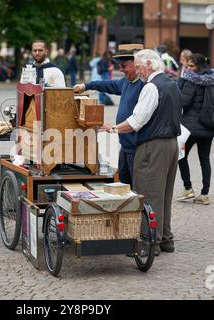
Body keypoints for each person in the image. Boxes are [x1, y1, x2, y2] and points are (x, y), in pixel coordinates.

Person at [112, 49, 182, 255]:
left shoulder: (152, 86)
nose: (139, 71)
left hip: (153, 145)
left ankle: (148, 242)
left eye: (140, 66)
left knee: (149, 194)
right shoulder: (172, 84)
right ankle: (165, 238)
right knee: (165, 194)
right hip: (171, 144)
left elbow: (136, 121)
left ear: (150, 64)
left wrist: (113, 128)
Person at [74, 44, 144, 187]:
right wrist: (87, 86)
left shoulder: (144, 85)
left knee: (138, 188)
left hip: (136, 148)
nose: (121, 69)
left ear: (136, 64)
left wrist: (112, 128)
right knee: (123, 185)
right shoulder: (126, 81)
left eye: (124, 66)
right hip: (125, 146)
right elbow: (108, 85)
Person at [177, 54, 214, 205]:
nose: (188, 68)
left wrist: (180, 83)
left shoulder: (191, 80)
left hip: (191, 127)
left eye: (191, 66)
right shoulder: (212, 80)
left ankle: (188, 188)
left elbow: (183, 102)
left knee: (180, 155)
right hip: (209, 126)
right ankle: (204, 194)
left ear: (199, 66)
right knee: (204, 160)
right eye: (188, 66)